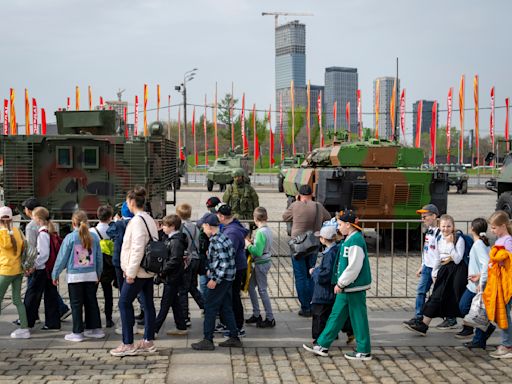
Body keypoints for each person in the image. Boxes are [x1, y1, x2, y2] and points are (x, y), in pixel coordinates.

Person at [303, 209, 372, 360]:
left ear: (348, 225)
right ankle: (322, 344)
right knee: (336, 316)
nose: (338, 227)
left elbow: (354, 267)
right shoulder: (350, 239)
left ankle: (364, 350)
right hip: (349, 286)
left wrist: (341, 283)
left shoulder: (355, 241)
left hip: (353, 287)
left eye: (340, 224)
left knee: (358, 318)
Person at [110, 187, 158, 357]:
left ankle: (128, 343)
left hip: (137, 271)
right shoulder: (149, 218)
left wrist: (130, 272)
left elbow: (137, 248)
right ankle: (148, 340)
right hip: (147, 270)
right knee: (148, 304)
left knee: (124, 303)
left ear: (131, 202)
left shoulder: (137, 221)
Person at [405, 214, 467, 336]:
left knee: (458, 299)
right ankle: (424, 325)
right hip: (444, 270)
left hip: (456, 270)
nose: (445, 229)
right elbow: (438, 257)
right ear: (440, 226)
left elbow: (458, 259)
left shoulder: (458, 239)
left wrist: (450, 244)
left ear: (453, 227)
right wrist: (434, 272)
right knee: (436, 296)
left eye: (448, 226)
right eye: (443, 226)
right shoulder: (439, 238)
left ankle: (471, 325)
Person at [191, 213, 242, 350]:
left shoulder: (216, 241)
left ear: (208, 226)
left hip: (221, 280)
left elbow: (224, 262)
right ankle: (234, 337)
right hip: (228, 278)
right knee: (226, 307)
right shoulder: (223, 237)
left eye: (203, 226)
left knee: (210, 307)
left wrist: (215, 278)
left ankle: (208, 339)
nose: (202, 229)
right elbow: (225, 260)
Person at [52, 210, 104, 342]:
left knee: (76, 304)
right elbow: (98, 258)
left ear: (73, 223)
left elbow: (62, 258)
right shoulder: (94, 237)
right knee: (92, 302)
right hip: (91, 275)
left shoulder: (70, 237)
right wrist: (98, 273)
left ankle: (77, 332)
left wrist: (55, 273)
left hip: (75, 276)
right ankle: (96, 329)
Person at [282, 184, 331, 317]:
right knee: (311, 274)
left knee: (300, 276)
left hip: (298, 246)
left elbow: (284, 217)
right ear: (312, 194)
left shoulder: (295, 205)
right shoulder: (318, 206)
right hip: (313, 244)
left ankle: (305, 308)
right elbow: (327, 218)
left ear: (299, 194)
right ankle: (313, 304)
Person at [22, 197, 71, 322]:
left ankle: (30, 317)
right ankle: (56, 313)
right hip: (48, 265)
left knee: (32, 293)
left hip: (39, 265)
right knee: (48, 290)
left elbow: (32, 248)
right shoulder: (50, 225)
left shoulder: (31, 227)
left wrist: (31, 264)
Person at [309, 224, 353, 343]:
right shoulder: (336, 249)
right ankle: (348, 330)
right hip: (331, 289)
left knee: (320, 314)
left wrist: (315, 273)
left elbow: (326, 273)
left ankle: (319, 339)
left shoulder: (330, 253)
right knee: (334, 314)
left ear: (323, 239)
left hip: (324, 291)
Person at [403, 204, 441, 327]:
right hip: (427, 267)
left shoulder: (439, 233)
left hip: (436, 268)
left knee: (441, 293)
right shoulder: (428, 232)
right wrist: (422, 265)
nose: (423, 219)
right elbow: (427, 251)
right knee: (420, 291)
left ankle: (450, 317)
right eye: (422, 217)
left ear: (434, 216)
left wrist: (435, 271)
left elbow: (438, 254)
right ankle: (418, 316)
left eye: (425, 216)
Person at [23, 207, 61, 331]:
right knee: (50, 295)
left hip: (41, 269)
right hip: (48, 269)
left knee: (31, 295)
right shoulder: (48, 231)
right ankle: (52, 322)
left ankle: (27, 321)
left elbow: (43, 254)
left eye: (34, 217)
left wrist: (34, 265)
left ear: (38, 219)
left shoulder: (43, 233)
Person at [461, 218, 495, 349]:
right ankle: (480, 337)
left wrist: (481, 279)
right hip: (475, 283)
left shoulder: (478, 244)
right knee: (476, 311)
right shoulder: (484, 243)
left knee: (465, 307)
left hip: (477, 285)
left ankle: (482, 334)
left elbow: (487, 263)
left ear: (472, 229)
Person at [216, 203, 249, 337]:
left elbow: (230, 253)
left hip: (235, 268)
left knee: (233, 297)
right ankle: (227, 323)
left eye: (218, 215)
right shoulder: (230, 228)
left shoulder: (232, 232)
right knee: (228, 297)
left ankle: (237, 326)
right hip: (234, 267)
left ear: (222, 216)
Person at [154, 214, 188, 336]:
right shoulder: (173, 239)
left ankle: (154, 330)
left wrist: (163, 272)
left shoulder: (176, 242)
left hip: (172, 276)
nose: (162, 227)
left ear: (172, 227)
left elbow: (174, 260)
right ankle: (181, 326)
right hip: (174, 276)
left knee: (165, 304)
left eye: (164, 225)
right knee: (175, 302)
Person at [484, 211, 512, 359]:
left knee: (505, 315)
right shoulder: (501, 240)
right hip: (498, 283)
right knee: (503, 314)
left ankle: (507, 345)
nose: (492, 231)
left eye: (494, 228)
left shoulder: (507, 241)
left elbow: (508, 260)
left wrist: (500, 260)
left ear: (503, 226)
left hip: (506, 283)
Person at [0, 206, 30, 338]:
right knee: (17, 300)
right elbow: (24, 245)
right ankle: (24, 328)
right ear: (11, 218)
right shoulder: (17, 231)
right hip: (18, 270)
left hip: (5, 270)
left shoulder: (1, 233)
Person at [245, 207, 275, 328]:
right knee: (251, 287)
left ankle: (270, 317)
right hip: (264, 261)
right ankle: (256, 314)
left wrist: (248, 245)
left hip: (261, 262)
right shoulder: (267, 230)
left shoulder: (260, 232)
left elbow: (257, 251)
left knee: (262, 290)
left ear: (255, 218)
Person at [176, 203, 204, 327]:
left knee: (183, 289)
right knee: (192, 286)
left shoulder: (180, 228)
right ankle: (206, 306)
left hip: (186, 260)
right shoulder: (195, 226)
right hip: (196, 259)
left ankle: (184, 316)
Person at [91, 205, 116, 328]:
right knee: (108, 293)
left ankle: (92, 318)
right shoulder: (113, 229)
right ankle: (108, 319)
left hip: (95, 266)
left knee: (92, 294)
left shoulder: (92, 231)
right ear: (110, 217)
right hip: (108, 265)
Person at [197, 197, 222, 296]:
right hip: (205, 253)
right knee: (203, 280)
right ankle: (205, 303)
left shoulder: (221, 218)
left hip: (215, 255)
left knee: (209, 281)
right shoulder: (208, 216)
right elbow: (199, 224)